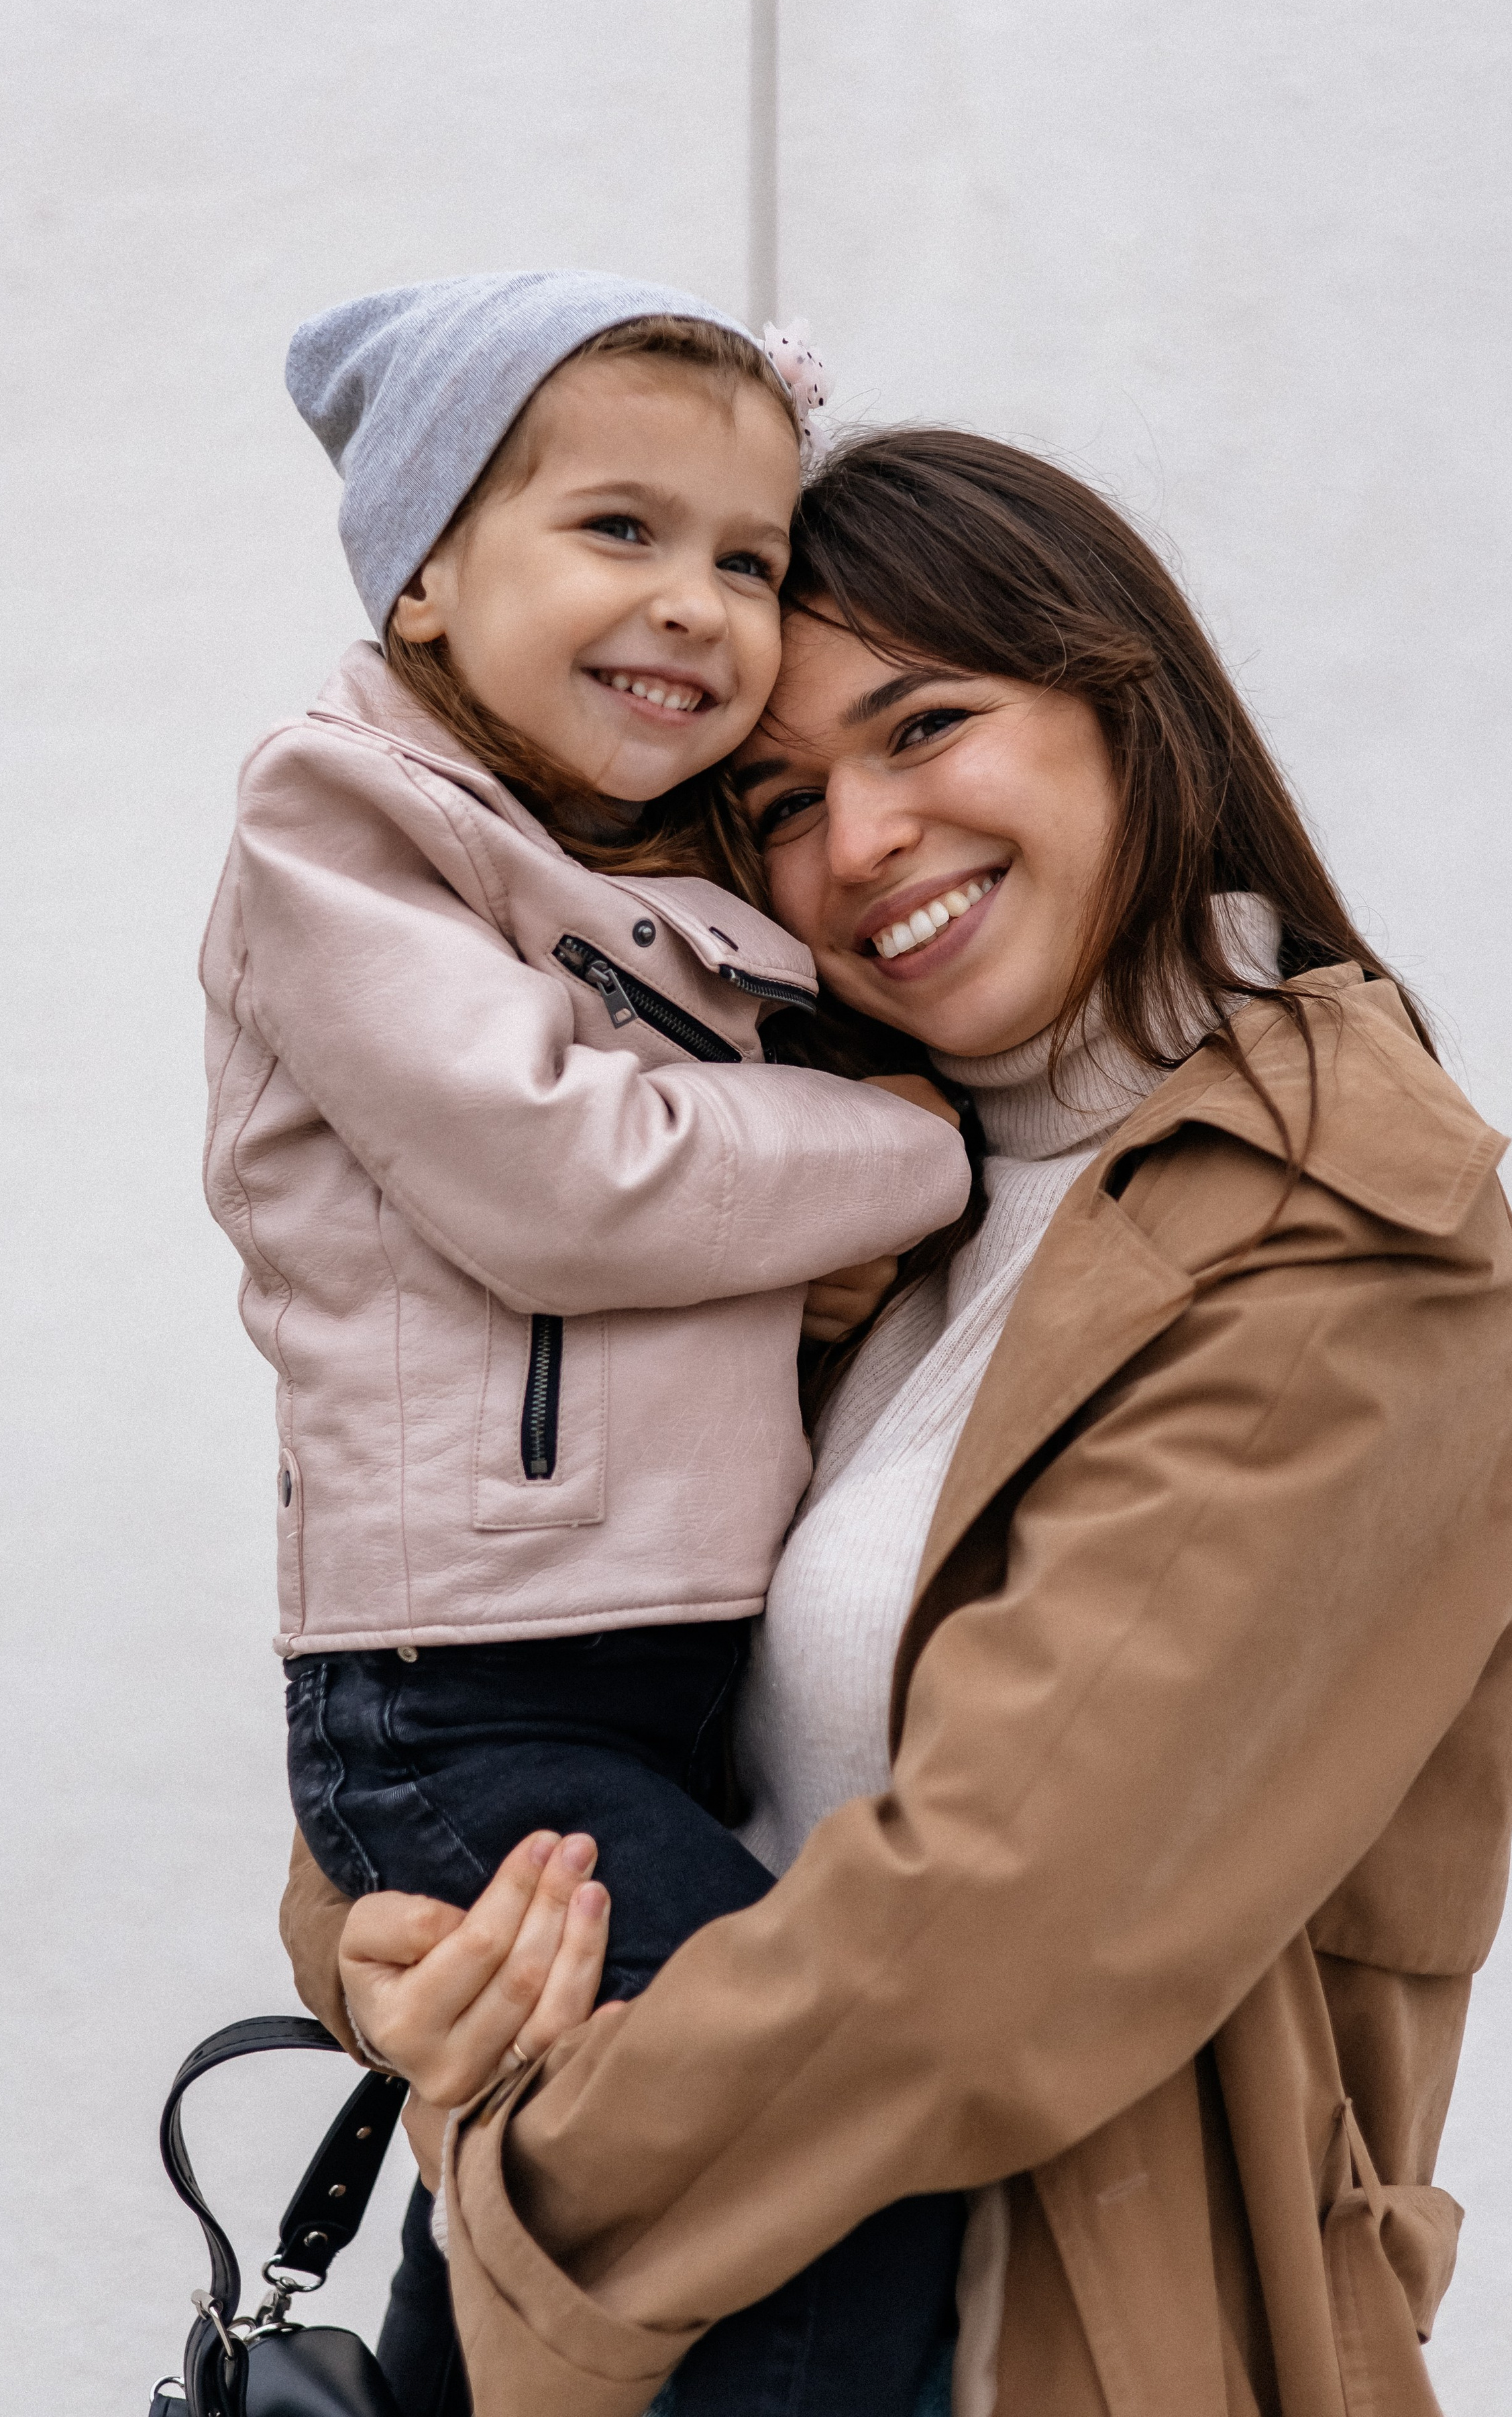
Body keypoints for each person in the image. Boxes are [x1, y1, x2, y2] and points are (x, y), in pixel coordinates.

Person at [285, 427, 1512, 2417]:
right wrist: (382, 1953)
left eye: (929, 727)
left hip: (1036, 2352)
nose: (860, 840)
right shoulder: (844, 1200)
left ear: (1133, 709)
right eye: (781, 799)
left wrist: (517, 2158)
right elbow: (519, 1665)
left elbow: (986, 1947)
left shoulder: (1340, 1238)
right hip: (671, 2325)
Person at [202, 276, 976, 2417]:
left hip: (653, 1679)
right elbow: (563, 1174)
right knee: (796, 2142)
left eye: (748, 557)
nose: (701, 606)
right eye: (617, 530)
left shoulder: (658, 858)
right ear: (432, 573)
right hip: (473, 1698)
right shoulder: (345, 824)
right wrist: (896, 1154)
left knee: (582, 2189)